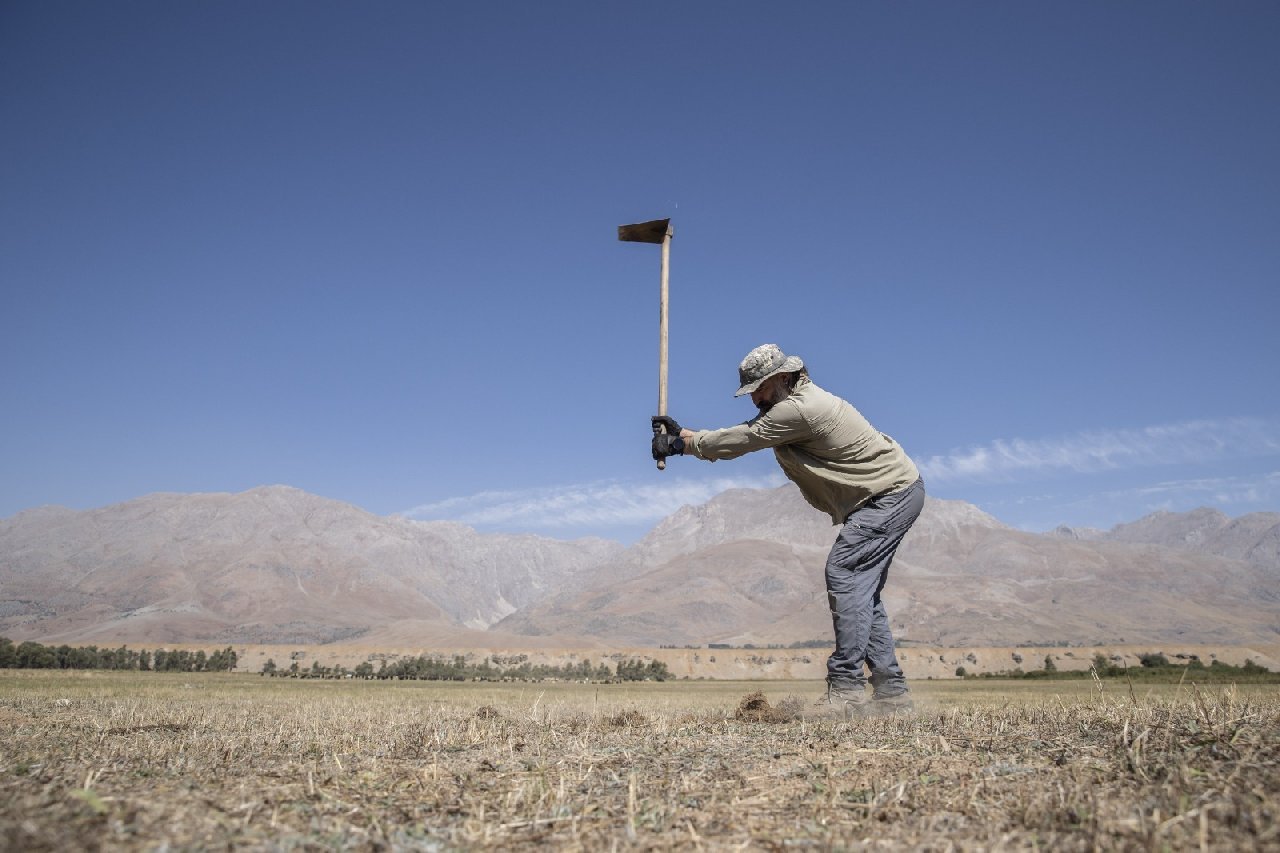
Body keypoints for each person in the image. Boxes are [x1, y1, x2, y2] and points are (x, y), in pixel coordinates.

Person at [651, 343, 925, 718]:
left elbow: (748, 438)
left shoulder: (799, 410)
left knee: (844, 574)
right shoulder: (794, 405)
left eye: (759, 390)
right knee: (862, 594)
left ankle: (846, 690)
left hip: (888, 496)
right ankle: (892, 695)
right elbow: (749, 431)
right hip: (893, 493)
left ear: (780, 379)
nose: (755, 399)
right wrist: (684, 436)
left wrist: (685, 447)